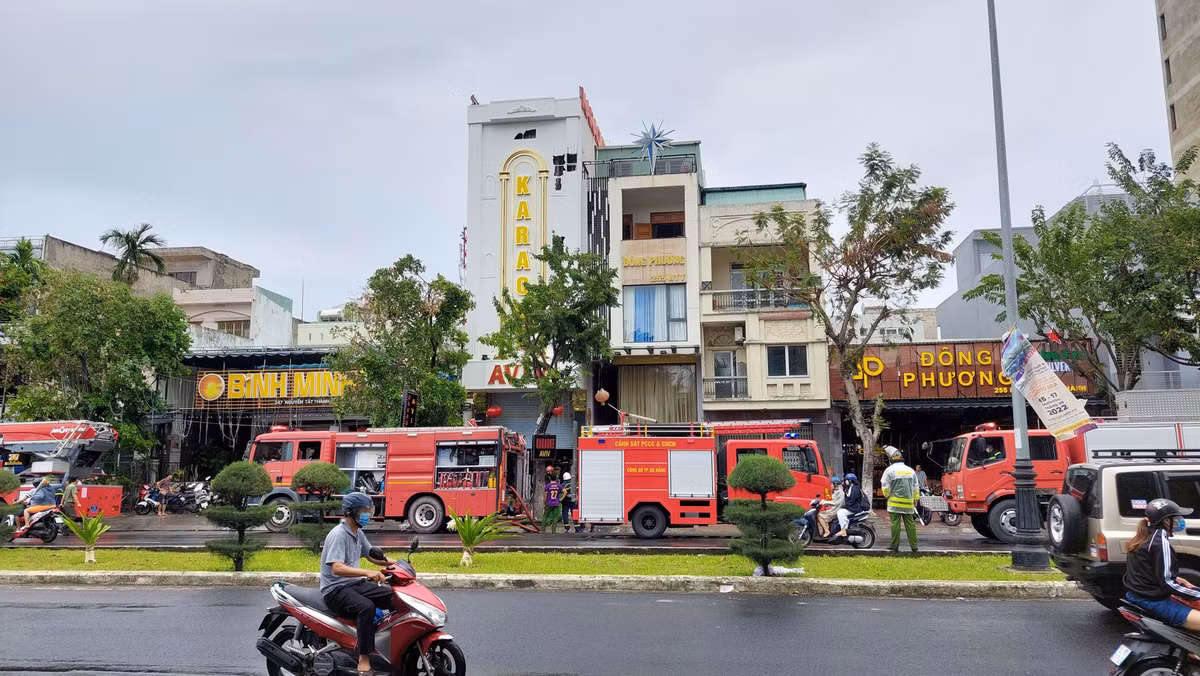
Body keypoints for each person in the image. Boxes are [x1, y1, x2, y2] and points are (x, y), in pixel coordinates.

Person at [321, 492, 396, 676]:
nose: (367, 515)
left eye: (367, 511)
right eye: (363, 511)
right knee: (366, 607)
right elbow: (337, 568)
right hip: (335, 589)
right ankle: (363, 659)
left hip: (352, 584)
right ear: (351, 512)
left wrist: (398, 565)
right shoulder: (339, 534)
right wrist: (367, 572)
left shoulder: (357, 532)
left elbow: (372, 554)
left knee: (392, 596)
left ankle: (388, 644)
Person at [1124, 498, 1200, 630]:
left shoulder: (1145, 537)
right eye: (1176, 517)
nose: (1180, 521)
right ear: (1166, 521)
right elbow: (1168, 583)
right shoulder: (1159, 542)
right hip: (1154, 601)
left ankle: (1191, 651)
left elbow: (1148, 572)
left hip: (1137, 595)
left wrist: (1181, 581)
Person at [882, 447, 919, 553]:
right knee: (910, 524)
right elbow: (916, 487)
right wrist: (915, 499)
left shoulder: (889, 470)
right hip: (908, 504)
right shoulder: (910, 470)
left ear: (891, 460)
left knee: (895, 524)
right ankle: (914, 546)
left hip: (894, 504)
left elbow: (885, 487)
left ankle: (894, 546)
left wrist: (887, 496)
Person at [836, 474, 867, 539]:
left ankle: (843, 530)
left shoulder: (854, 489)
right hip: (853, 507)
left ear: (850, 481)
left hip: (855, 508)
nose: (845, 481)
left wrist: (845, 506)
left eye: (846, 480)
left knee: (840, 512)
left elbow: (852, 501)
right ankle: (845, 527)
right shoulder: (852, 488)